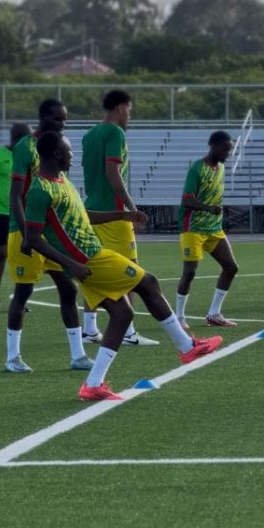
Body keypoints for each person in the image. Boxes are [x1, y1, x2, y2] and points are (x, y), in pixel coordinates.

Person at [24, 132, 222, 401]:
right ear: (57, 154)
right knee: (148, 282)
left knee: (122, 315)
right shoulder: (39, 190)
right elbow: (32, 237)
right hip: (88, 259)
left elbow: (84, 216)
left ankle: (93, 384)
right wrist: (71, 264)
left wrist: (123, 214)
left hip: (88, 256)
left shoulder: (63, 182)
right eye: (69, 151)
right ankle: (187, 347)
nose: (73, 156)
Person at [3, 99, 91, 374]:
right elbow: (16, 195)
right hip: (26, 232)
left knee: (68, 288)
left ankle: (78, 355)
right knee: (24, 291)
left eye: (64, 120)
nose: (61, 124)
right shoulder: (24, 148)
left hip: (52, 234)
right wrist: (27, 234)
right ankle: (12, 357)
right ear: (42, 118)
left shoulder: (61, 145)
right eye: (57, 119)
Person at [81, 89, 159, 346]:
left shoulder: (89, 134)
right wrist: (131, 209)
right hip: (114, 215)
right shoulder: (116, 133)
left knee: (94, 270)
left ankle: (89, 329)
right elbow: (113, 173)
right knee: (133, 273)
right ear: (119, 108)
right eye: (129, 110)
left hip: (92, 211)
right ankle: (128, 333)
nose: (130, 116)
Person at [175, 131, 240, 329]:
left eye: (230, 150)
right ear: (213, 145)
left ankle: (214, 314)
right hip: (193, 228)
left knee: (231, 267)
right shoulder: (197, 168)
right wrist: (208, 208)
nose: (228, 154)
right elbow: (186, 200)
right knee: (190, 272)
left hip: (213, 228)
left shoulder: (220, 168)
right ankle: (178, 317)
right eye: (226, 149)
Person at [0, 122, 30, 312]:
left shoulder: (28, 156)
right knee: (1, 252)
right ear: (16, 138)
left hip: (24, 213)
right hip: (2, 212)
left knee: (22, 253)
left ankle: (21, 297)